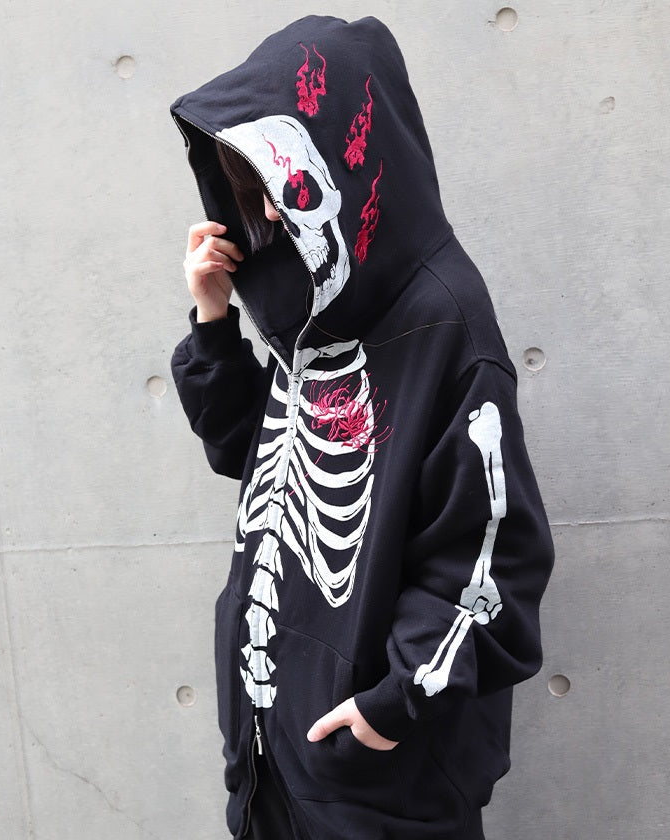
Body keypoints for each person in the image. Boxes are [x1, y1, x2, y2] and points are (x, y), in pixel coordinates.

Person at [170, 14, 554, 840]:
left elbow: (492, 553)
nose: (268, 213)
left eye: (283, 187)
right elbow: (246, 453)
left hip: (375, 779)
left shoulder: (446, 321)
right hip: (271, 759)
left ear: (354, 161)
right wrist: (213, 322)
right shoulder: (314, 314)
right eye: (252, 188)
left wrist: (395, 704)